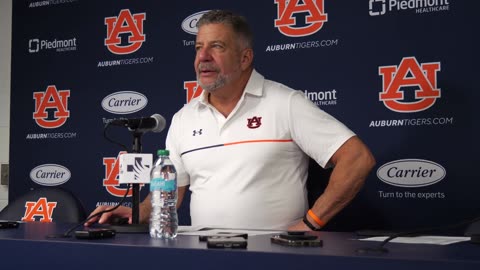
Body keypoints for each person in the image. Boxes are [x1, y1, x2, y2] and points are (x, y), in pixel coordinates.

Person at [85, 9, 375, 231]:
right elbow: (171, 192)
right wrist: (138, 212)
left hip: (274, 256)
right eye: (199, 47)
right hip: (201, 256)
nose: (204, 57)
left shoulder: (285, 102)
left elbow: (357, 158)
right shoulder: (183, 118)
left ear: (245, 58)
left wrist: (311, 222)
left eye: (217, 47)